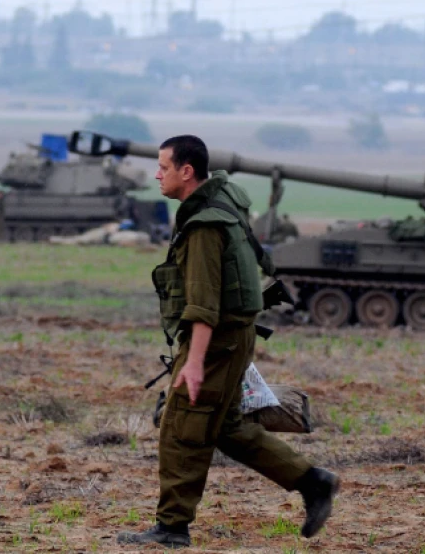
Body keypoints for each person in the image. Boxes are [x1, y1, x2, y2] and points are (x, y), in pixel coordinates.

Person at [118, 135, 339, 548]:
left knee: (182, 428)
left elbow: (203, 303)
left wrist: (194, 362)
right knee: (226, 426)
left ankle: (171, 528)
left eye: (163, 167)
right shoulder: (223, 201)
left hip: (216, 339)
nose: (156, 174)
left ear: (187, 172)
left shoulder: (203, 226)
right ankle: (313, 482)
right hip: (235, 336)